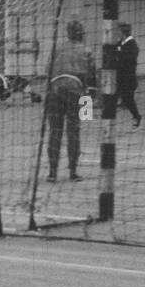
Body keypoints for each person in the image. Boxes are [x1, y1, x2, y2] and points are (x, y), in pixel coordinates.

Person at [45, 21, 95, 182]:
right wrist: (88, 108)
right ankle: (73, 172)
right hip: (75, 91)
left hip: (54, 91)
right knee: (73, 131)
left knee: (55, 132)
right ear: (81, 33)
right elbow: (90, 78)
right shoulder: (86, 50)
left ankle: (52, 173)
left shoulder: (57, 49)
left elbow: (48, 71)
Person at [114, 21, 140, 126]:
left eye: (118, 31)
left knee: (128, 100)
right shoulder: (121, 42)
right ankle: (109, 118)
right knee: (113, 97)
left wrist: (118, 54)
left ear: (122, 32)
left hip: (128, 79)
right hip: (120, 78)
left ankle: (137, 116)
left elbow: (128, 60)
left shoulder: (132, 44)